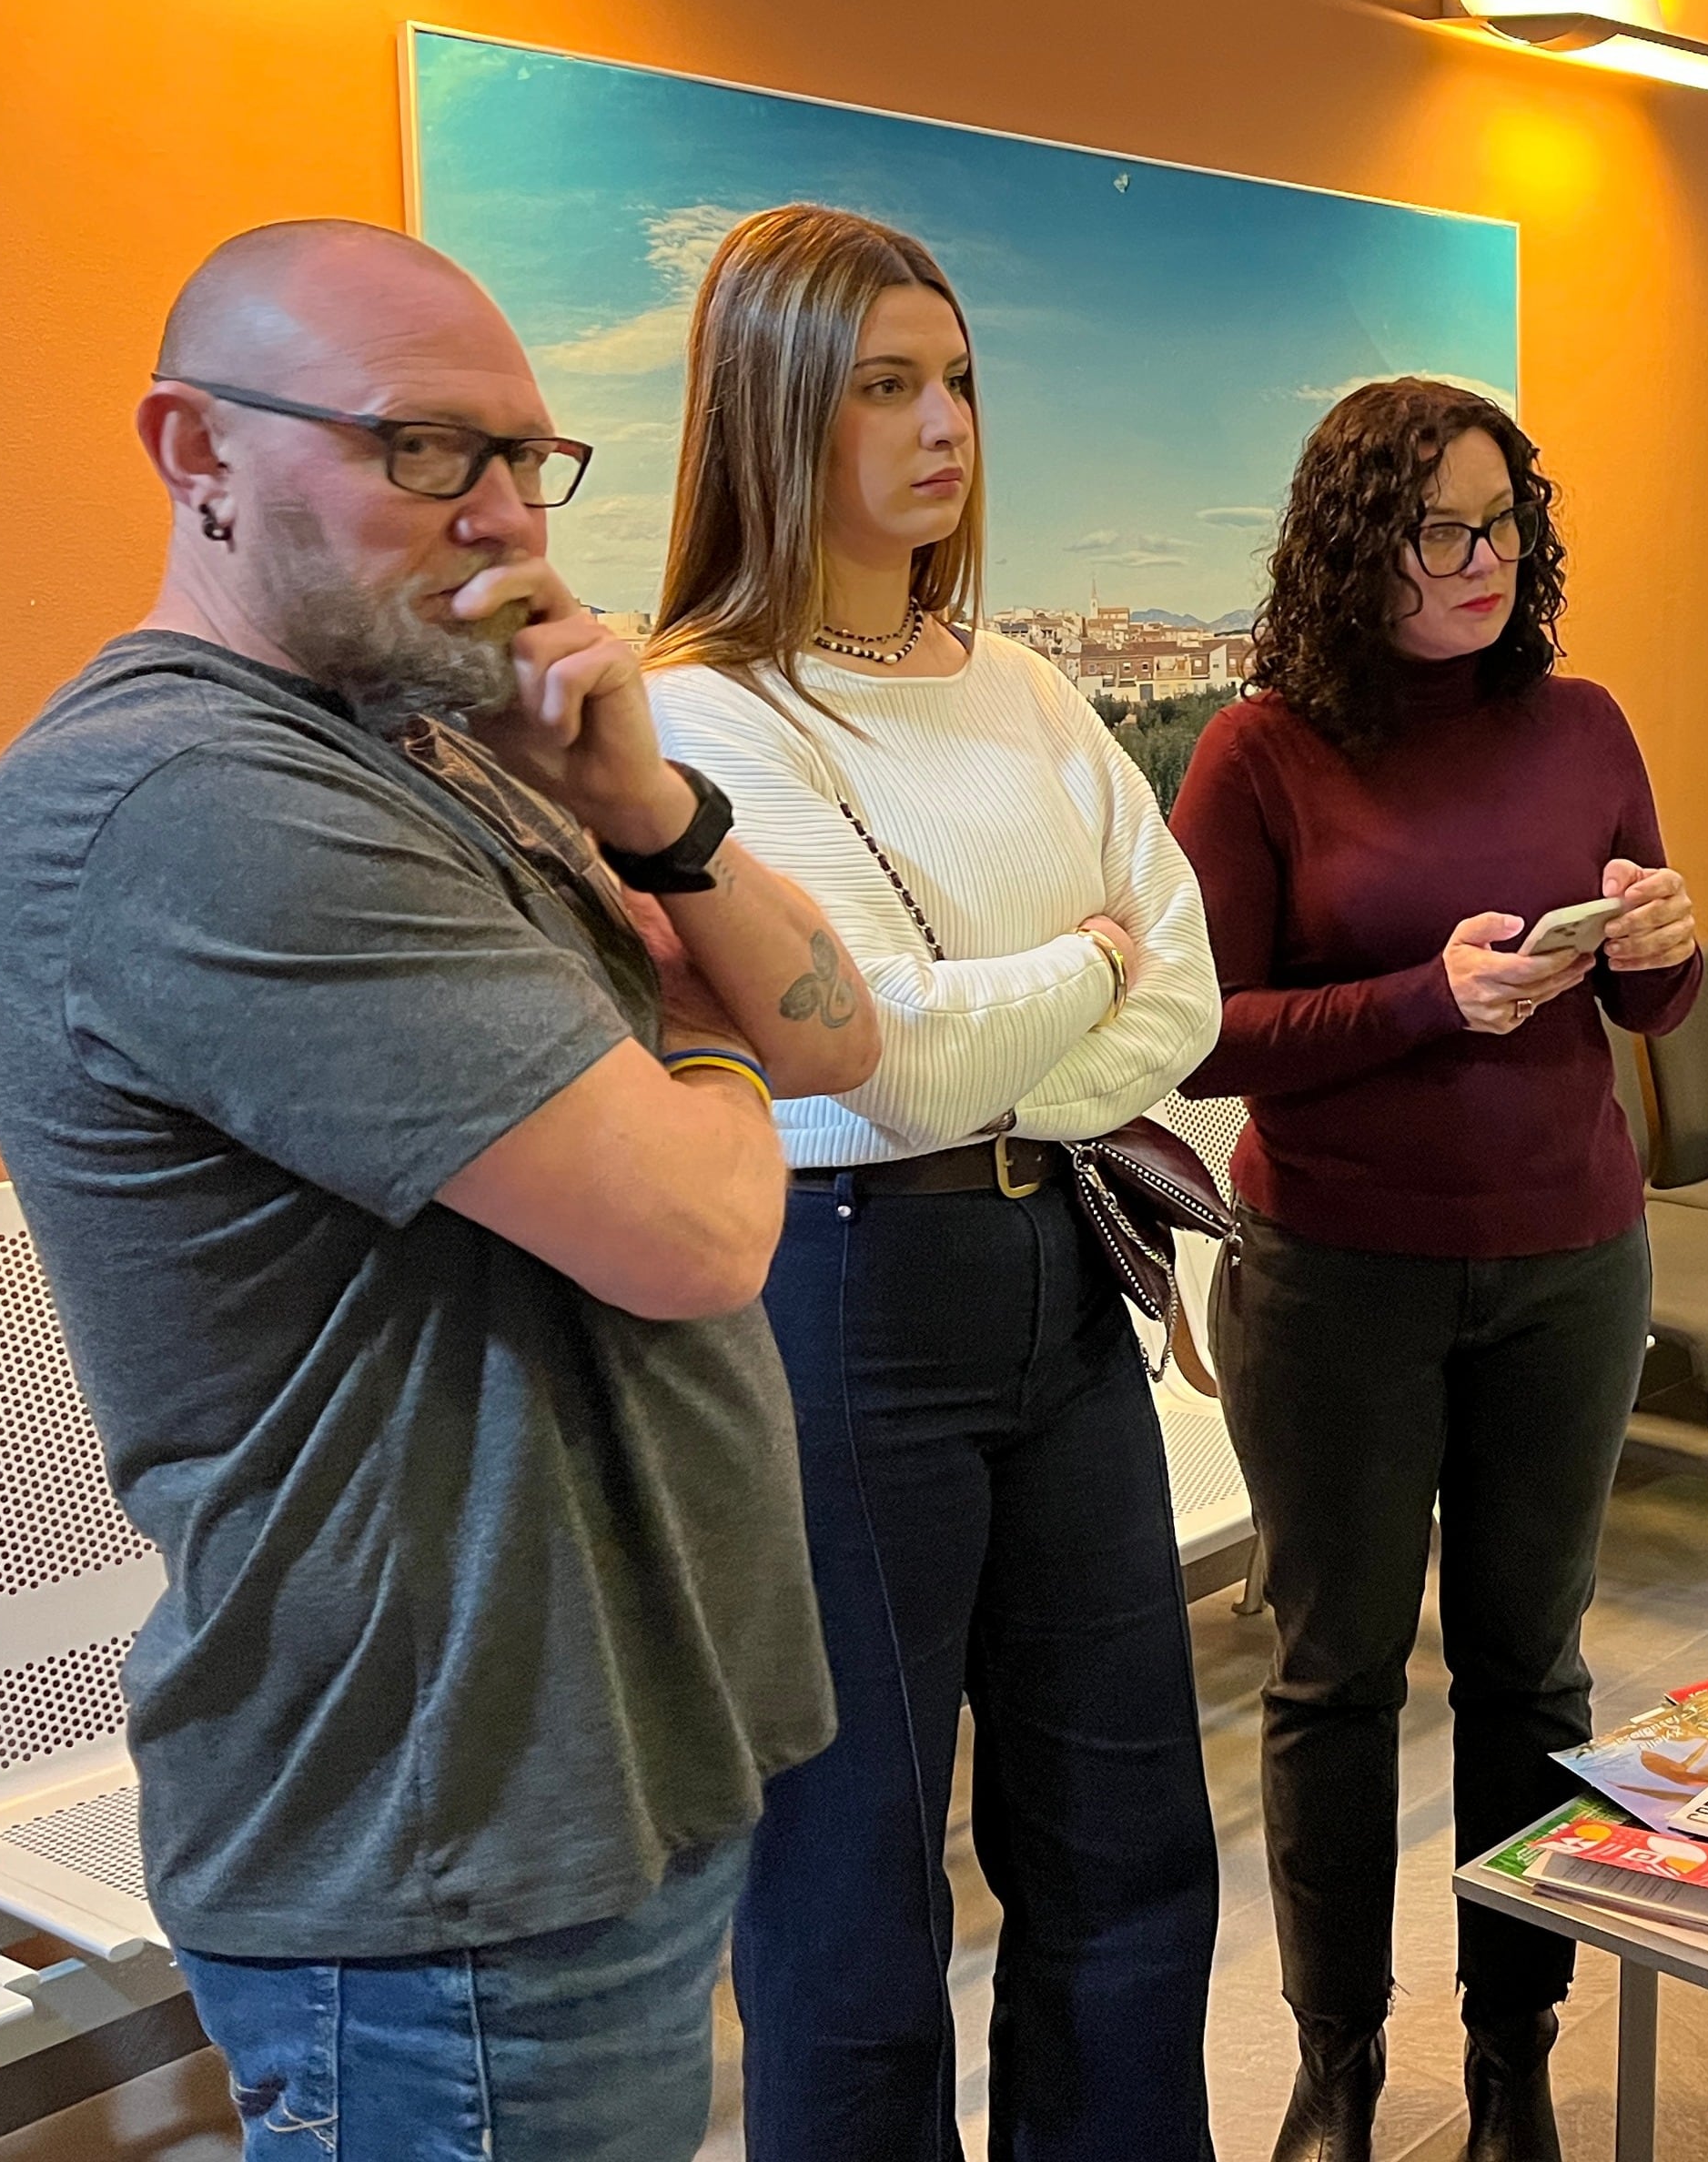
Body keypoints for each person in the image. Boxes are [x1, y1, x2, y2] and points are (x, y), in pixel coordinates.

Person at [0, 221, 863, 2162]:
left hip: (604, 1755)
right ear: (196, 450)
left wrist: (653, 817)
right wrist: (698, 1029)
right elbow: (699, 1232)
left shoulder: (453, 752)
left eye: (530, 459)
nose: (506, 516)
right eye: (428, 451)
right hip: (444, 1837)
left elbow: (838, 1036)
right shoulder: (189, 802)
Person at [637, 204, 1228, 2159]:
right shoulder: (703, 712)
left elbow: (1192, 984)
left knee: (1129, 1845)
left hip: (1057, 1273)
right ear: (774, 412)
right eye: (885, 385)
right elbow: (877, 1061)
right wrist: (1078, 969)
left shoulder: (1029, 687)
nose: (943, 425)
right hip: (846, 1303)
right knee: (850, 1903)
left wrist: (1042, 1005)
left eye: (958, 378)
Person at [1168, 377, 1702, 2162]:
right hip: (1336, 1280)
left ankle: (1510, 2064)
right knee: (1335, 1682)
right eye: (1438, 532)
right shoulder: (1261, 754)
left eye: (1504, 527)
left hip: (1569, 1261)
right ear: (1355, 546)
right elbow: (1204, 1036)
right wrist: (1426, 998)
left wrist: (1660, 951)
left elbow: (1645, 1004)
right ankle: (1337, 2069)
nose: (1481, 564)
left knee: (1530, 1675)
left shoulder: (1583, 724)